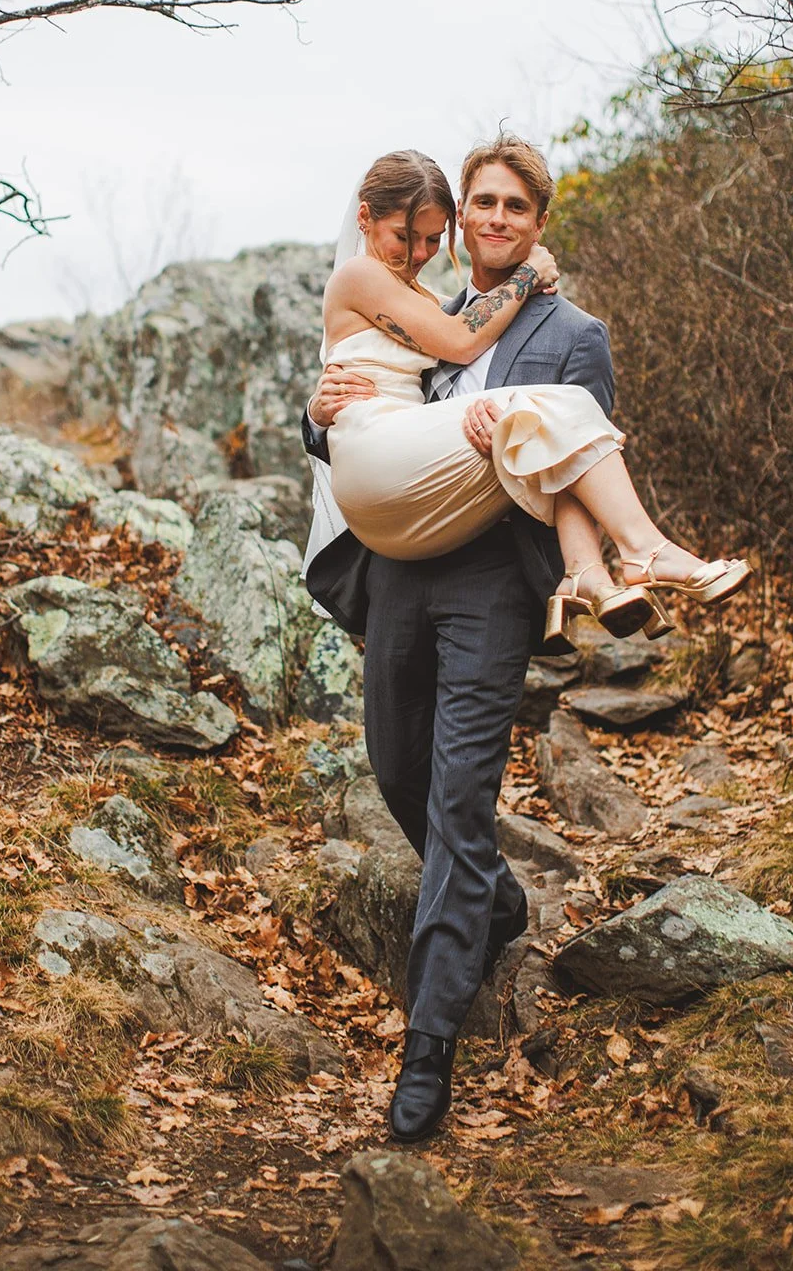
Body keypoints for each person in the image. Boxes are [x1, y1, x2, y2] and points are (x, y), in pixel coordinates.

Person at [302, 139, 749, 1142]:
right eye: (480, 205)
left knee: (459, 800)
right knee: (396, 770)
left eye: (514, 206)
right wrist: (314, 408)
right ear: (458, 218)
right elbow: (359, 393)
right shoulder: (428, 304)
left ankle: (428, 1047)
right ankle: (490, 900)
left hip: (491, 587)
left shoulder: (570, 334)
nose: (494, 220)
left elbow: (580, 457)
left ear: (538, 222)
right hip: (401, 570)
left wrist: (566, 556)